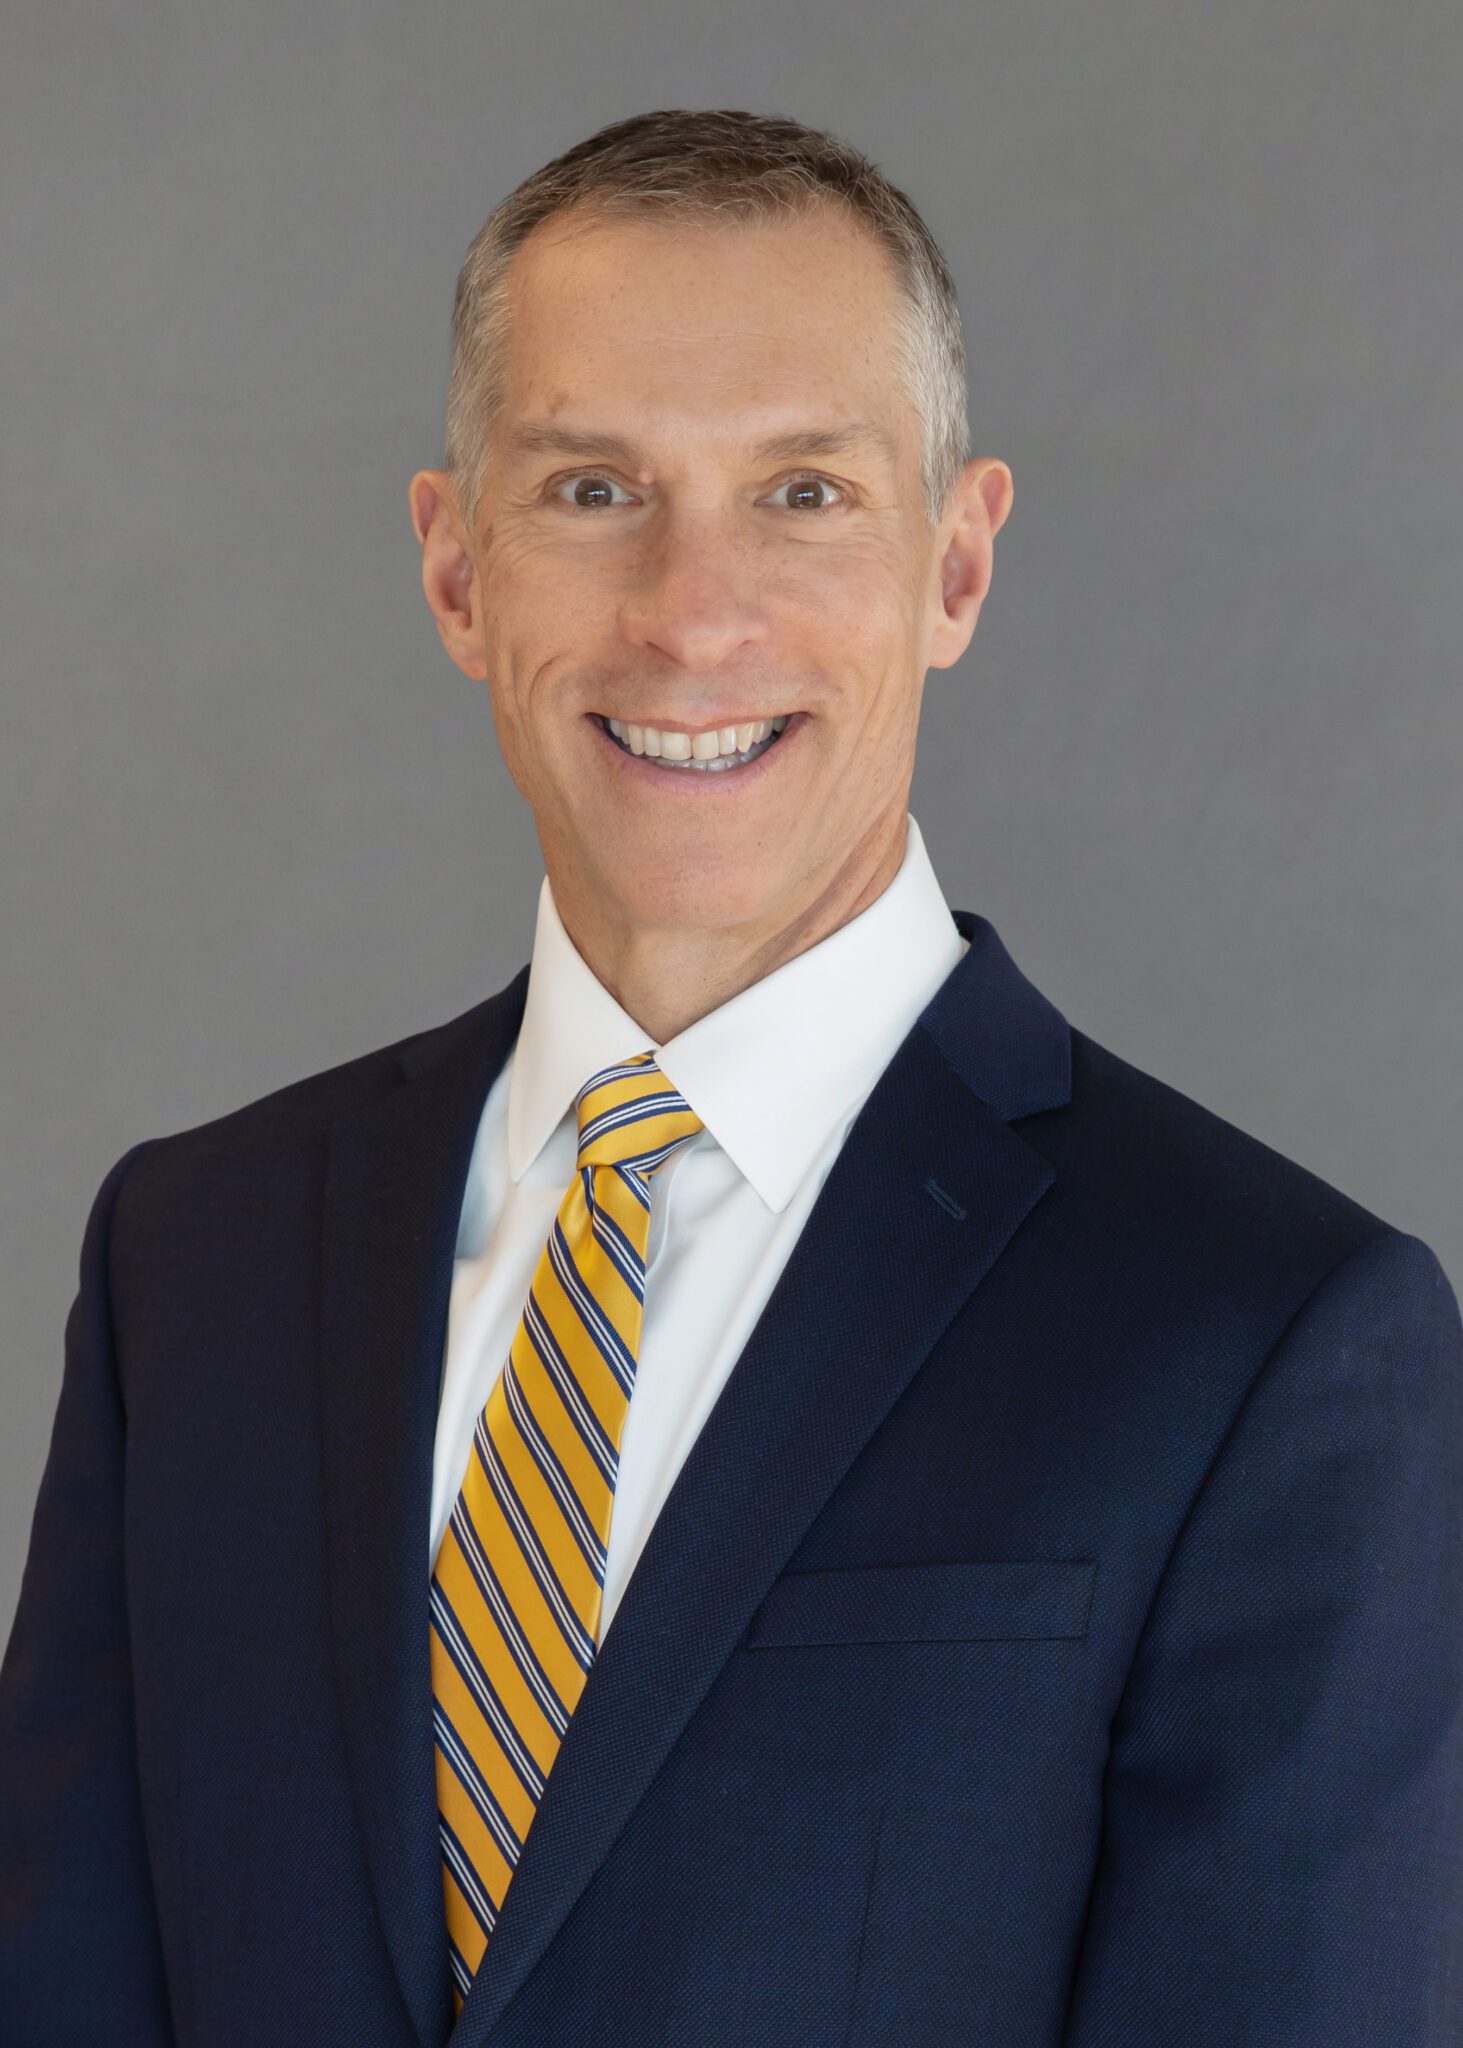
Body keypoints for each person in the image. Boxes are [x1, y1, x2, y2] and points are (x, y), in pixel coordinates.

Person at [2, 105, 1460, 2048]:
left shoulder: (1266, 1339)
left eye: (804, 494)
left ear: (956, 565)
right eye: (594, 487)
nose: (693, 614)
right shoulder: (196, 1261)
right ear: (456, 569)